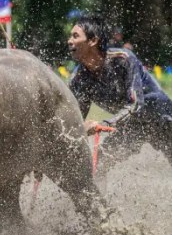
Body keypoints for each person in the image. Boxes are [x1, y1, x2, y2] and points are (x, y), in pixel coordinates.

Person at [67, 15, 172, 171]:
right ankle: (97, 196)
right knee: (103, 158)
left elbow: (136, 104)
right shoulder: (79, 78)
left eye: (75, 36)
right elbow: (76, 120)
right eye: (70, 36)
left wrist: (103, 124)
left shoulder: (123, 59)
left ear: (93, 41)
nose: (69, 41)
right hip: (131, 125)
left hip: (159, 115)